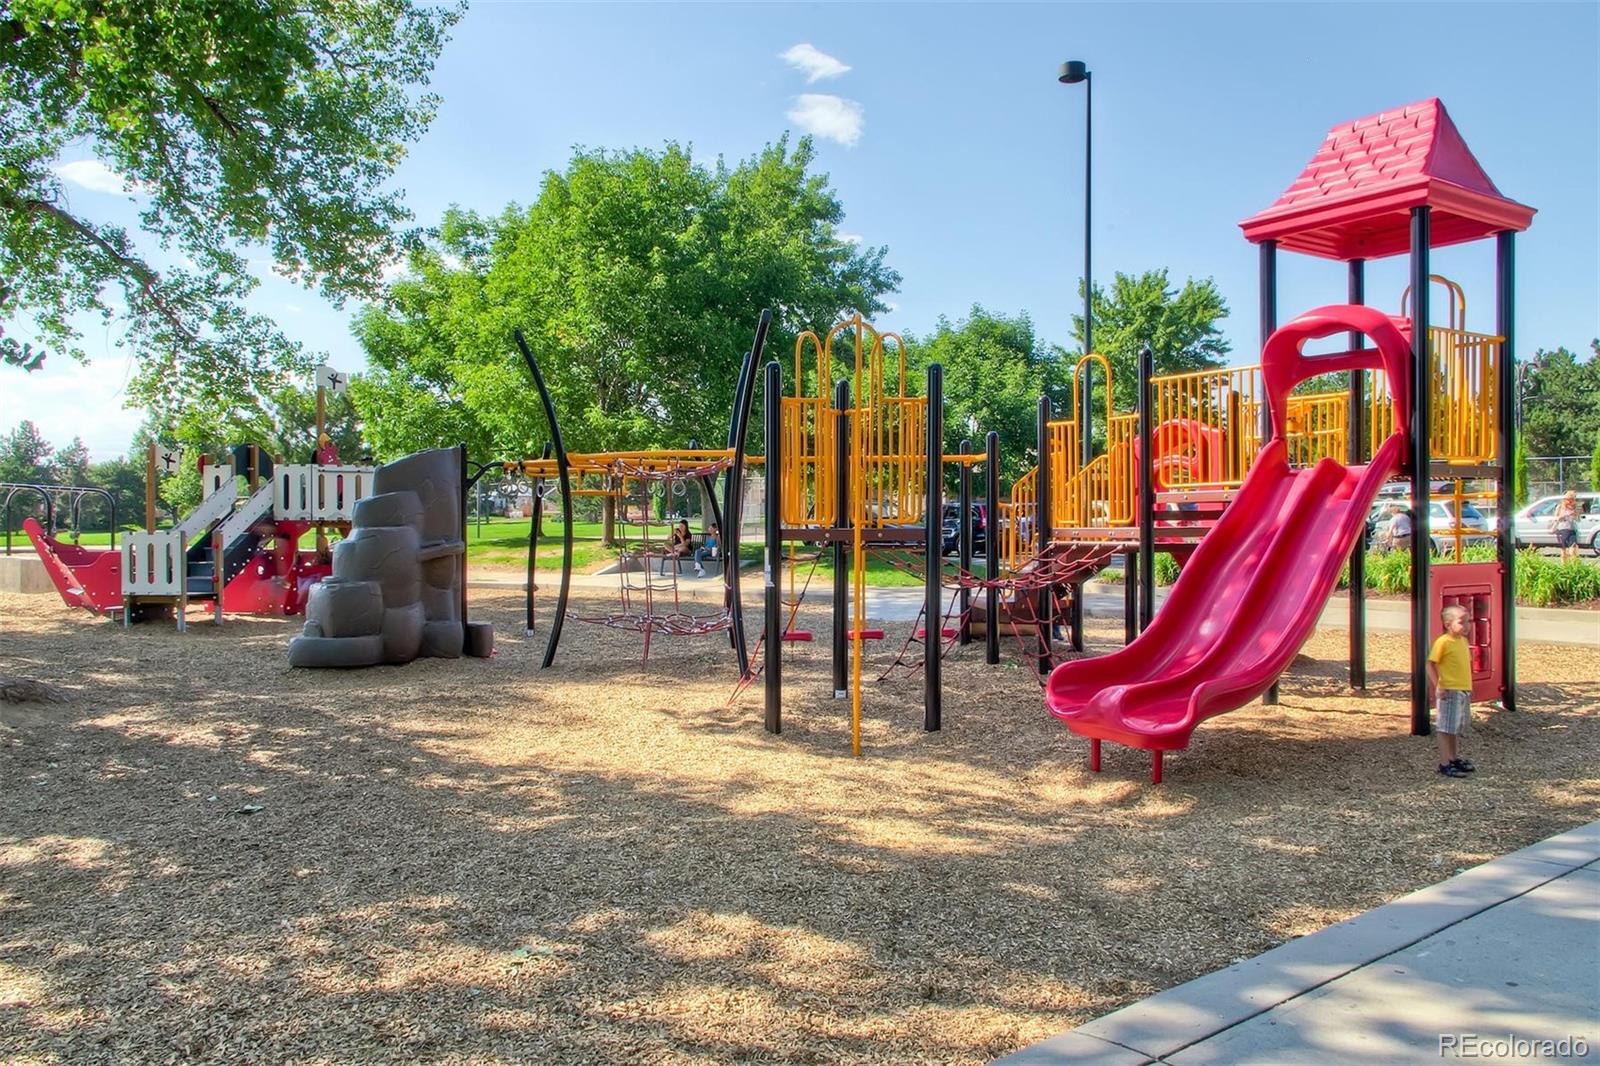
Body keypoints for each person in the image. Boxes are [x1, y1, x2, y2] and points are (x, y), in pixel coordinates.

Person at [1427, 603, 1475, 779]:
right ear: (1448, 624)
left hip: (1462, 690)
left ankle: (1453, 758)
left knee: (1454, 727)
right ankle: (1445, 762)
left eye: (1468, 621)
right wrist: (1438, 685)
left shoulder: (1463, 641)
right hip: (1449, 690)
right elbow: (1430, 664)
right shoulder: (1443, 642)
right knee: (1445, 727)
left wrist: (1469, 687)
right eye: (1462, 622)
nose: (1467, 626)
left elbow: (1463, 666)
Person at [1553, 490, 1580, 564]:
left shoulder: (1575, 507)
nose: (1571, 501)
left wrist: (1575, 515)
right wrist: (1561, 517)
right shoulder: (1560, 507)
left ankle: (1574, 566)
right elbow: (1555, 518)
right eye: (1569, 499)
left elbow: (1578, 519)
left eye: (1573, 499)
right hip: (1562, 529)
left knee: (1573, 549)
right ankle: (1564, 566)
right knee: (1564, 549)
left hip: (1572, 529)